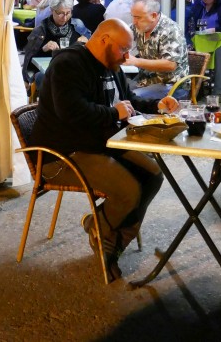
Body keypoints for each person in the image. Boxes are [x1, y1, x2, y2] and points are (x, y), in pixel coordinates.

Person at [30, 19, 176, 280]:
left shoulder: (112, 66)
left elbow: (129, 102)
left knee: (153, 175)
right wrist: (113, 113)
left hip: (98, 144)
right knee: (128, 190)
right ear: (104, 40)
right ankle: (109, 241)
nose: (127, 57)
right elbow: (71, 113)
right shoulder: (68, 64)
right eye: (123, 49)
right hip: (62, 155)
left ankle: (105, 233)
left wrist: (158, 106)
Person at [21, 0, 91, 86]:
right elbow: (28, 59)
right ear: (52, 10)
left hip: (73, 70)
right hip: (49, 72)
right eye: (60, 13)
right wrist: (43, 49)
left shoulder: (77, 25)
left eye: (68, 13)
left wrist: (87, 41)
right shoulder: (41, 30)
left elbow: (92, 46)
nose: (64, 18)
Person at [127, 0, 189, 100]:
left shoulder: (170, 30)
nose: (134, 21)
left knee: (131, 98)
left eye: (138, 17)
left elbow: (170, 64)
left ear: (153, 16)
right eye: (133, 16)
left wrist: (136, 61)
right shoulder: (139, 26)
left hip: (172, 86)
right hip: (146, 81)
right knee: (117, 92)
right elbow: (123, 34)